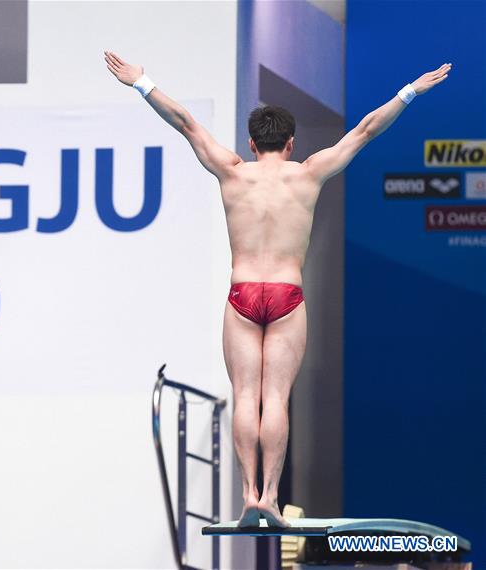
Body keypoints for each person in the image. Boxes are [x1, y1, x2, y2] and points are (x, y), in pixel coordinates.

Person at [104, 49, 451, 527]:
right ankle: (270, 495)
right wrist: (411, 90)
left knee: (246, 395)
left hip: (242, 292)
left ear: (251, 142)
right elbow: (368, 129)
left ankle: (249, 494)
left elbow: (185, 122)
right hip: (286, 296)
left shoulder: (231, 169)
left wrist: (142, 82)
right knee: (277, 398)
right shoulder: (309, 172)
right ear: (290, 142)